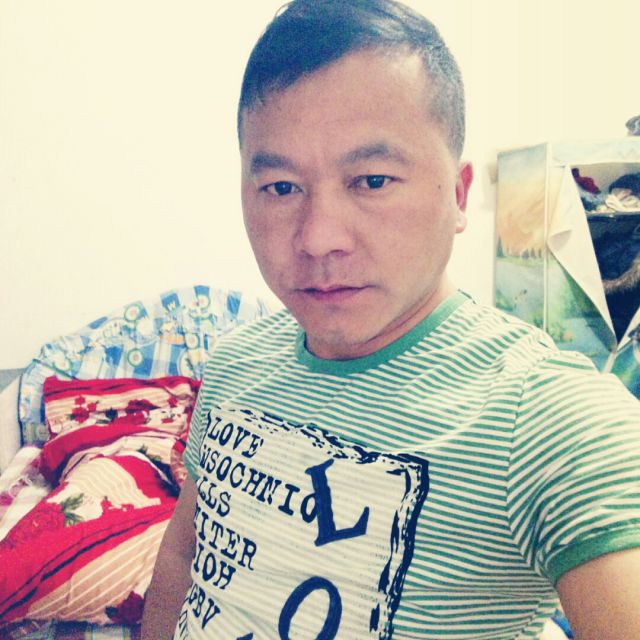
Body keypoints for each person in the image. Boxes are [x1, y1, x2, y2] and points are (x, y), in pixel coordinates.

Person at [141, 1, 640, 638]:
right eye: (281, 188)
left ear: (458, 195)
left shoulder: (549, 418)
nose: (318, 238)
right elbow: (183, 559)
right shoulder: (236, 361)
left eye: (372, 180)